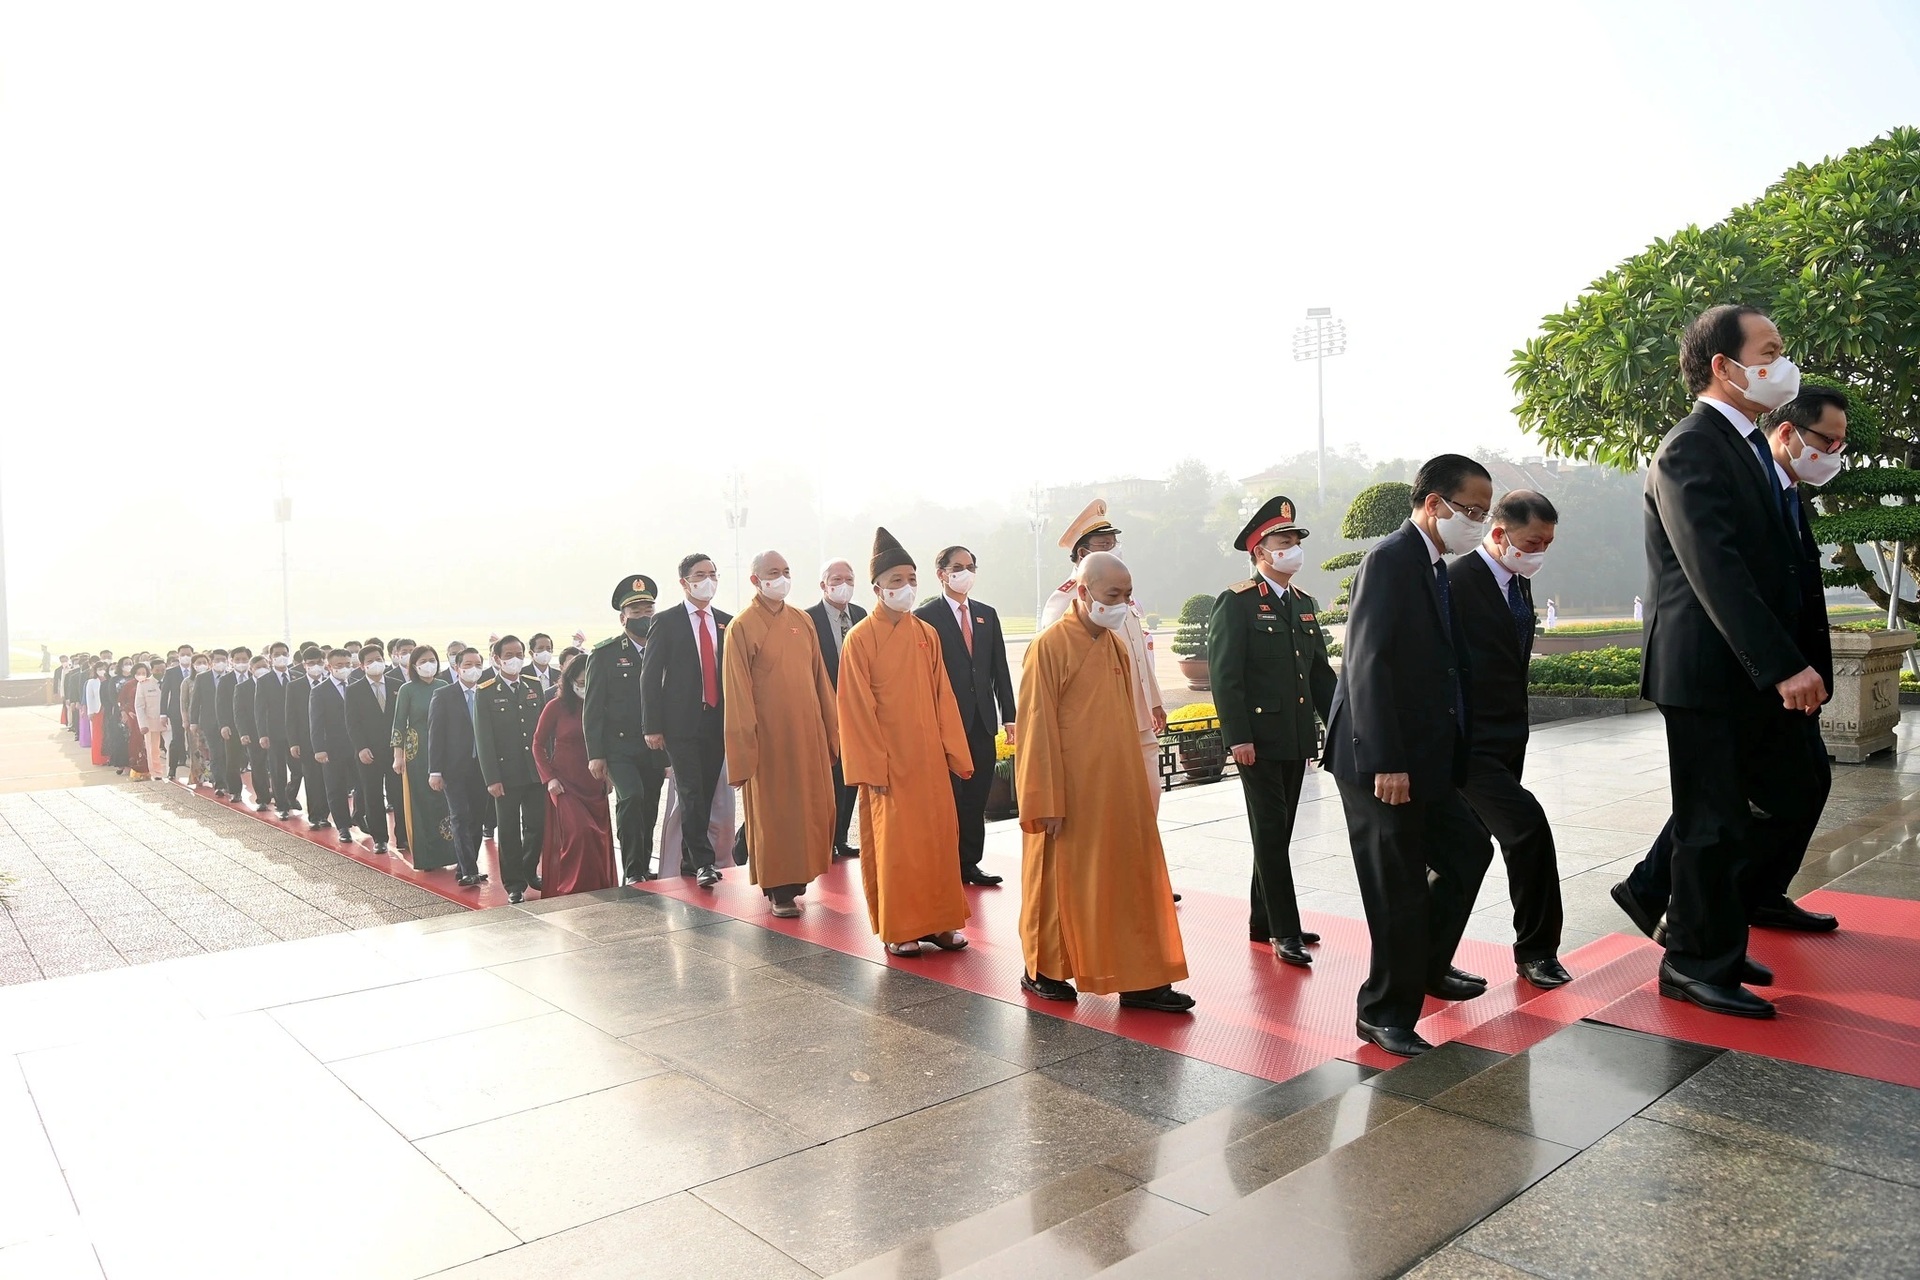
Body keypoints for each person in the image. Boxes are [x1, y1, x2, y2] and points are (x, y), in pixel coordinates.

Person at [1619, 305, 1834, 1021]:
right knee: (1714, 821)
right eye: (1770, 349)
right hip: (1710, 671)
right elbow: (1716, 569)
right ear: (1723, 365)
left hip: (1747, 668)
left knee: (1781, 793)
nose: (1783, 361)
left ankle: (1703, 927)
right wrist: (1781, 665)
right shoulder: (1691, 448)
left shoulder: (1743, 444)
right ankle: (1692, 962)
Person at [1326, 454, 1499, 1058]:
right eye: (1470, 511)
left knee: (1469, 851)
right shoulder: (1391, 559)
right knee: (1396, 884)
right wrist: (1385, 761)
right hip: (1381, 758)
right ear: (1434, 504)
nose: (1477, 523)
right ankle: (1382, 1011)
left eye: (1483, 512)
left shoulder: (1432, 566)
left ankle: (1426, 966)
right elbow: (1367, 662)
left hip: (1424, 755)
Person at [1017, 552, 1193, 1011]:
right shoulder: (1049, 646)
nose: (1123, 604)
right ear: (1082, 591)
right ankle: (1043, 971)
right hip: (1069, 794)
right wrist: (1045, 798)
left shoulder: (1115, 644)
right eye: (1113, 595)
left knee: (1129, 881)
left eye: (1128, 595)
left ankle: (1140, 978)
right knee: (1058, 886)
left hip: (1117, 788)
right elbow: (1035, 726)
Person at [1209, 495, 1336, 968]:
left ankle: (1264, 919)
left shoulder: (1303, 603)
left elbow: (1320, 674)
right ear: (1260, 551)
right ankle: (1284, 930)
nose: (1292, 548)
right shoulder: (1237, 602)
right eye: (1283, 541)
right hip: (1257, 741)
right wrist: (1237, 737)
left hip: (1295, 737)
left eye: (1295, 540)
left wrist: (1340, 724)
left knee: (1278, 831)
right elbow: (1227, 676)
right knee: (1269, 830)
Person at [1451, 490, 1571, 989]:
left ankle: (1429, 956)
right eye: (1531, 542)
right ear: (1499, 534)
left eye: (1547, 543)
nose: (1539, 552)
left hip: (1508, 738)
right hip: (1467, 744)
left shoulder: (1516, 582)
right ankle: (1537, 951)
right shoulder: (1455, 582)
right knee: (1527, 831)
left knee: (1463, 852)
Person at [838, 528, 973, 957]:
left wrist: (953, 750)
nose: (906, 588)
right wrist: (870, 767)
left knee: (936, 841)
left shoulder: (925, 633)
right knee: (897, 847)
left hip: (929, 759)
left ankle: (940, 923)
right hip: (889, 763)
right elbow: (854, 709)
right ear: (878, 587)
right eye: (897, 580)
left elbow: (943, 698)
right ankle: (901, 927)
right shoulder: (859, 638)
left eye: (912, 579)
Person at [724, 550, 841, 917]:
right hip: (769, 739)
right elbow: (737, 692)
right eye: (773, 572)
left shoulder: (802, 621)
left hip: (806, 735)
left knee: (807, 810)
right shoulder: (741, 627)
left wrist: (831, 730)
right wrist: (745, 747)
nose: (782, 578)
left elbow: (820, 679)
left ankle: (800, 878)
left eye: (787, 571)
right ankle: (779, 890)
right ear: (755, 580)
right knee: (775, 813)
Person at [1040, 499, 1170, 814]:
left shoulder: (1123, 593)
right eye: (1105, 545)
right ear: (1084, 554)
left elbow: (1139, 652)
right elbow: (1056, 666)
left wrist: (1154, 701)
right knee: (1115, 806)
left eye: (1114, 543)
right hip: (1101, 721)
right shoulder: (1065, 600)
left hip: (1138, 714)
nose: (1115, 550)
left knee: (1151, 796)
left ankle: (1142, 859)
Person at [917, 546, 1017, 887]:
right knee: (949, 797)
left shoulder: (986, 614)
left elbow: (999, 669)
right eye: (958, 567)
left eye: (971, 566)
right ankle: (944, 863)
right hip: (945, 723)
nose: (965, 572)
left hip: (982, 722)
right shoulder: (925, 616)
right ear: (941, 573)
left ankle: (970, 863)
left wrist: (1009, 716)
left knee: (977, 797)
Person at [641, 553, 732, 889]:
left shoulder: (726, 621)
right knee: (691, 790)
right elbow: (649, 677)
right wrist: (651, 725)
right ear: (684, 582)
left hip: (716, 721)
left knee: (707, 791)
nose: (708, 580)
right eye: (700, 575)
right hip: (680, 723)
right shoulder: (666, 622)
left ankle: (693, 856)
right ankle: (703, 862)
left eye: (712, 573)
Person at [585, 574, 670, 885]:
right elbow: (592, 709)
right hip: (619, 747)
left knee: (648, 806)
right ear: (623, 618)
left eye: (649, 610)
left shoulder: (665, 649)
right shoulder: (605, 654)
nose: (644, 617)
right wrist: (596, 754)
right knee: (631, 798)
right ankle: (632, 869)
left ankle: (644, 865)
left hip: (655, 746)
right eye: (636, 612)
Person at [533, 652, 616, 896]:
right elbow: (537, 744)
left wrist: (609, 775)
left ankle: (597, 888)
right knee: (579, 835)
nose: (584, 688)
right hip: (565, 785)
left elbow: (610, 743)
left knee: (597, 838)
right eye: (580, 683)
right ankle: (571, 890)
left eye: (589, 682)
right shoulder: (556, 707)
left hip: (594, 784)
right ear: (569, 681)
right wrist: (549, 778)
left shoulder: (603, 706)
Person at [475, 635, 548, 903]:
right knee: (507, 831)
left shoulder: (532, 685)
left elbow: (541, 732)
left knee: (537, 825)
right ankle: (514, 884)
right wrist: (492, 778)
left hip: (533, 771)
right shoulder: (485, 691)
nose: (515, 659)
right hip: (505, 775)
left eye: (519, 654)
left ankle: (529, 870)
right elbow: (484, 739)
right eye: (508, 655)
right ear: (496, 659)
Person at [808, 558, 867, 860]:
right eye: (836, 579)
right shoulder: (808, 619)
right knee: (828, 781)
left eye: (849, 578)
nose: (844, 584)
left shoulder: (860, 615)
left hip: (855, 711)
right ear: (823, 585)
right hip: (823, 711)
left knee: (850, 777)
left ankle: (841, 837)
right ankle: (826, 840)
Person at [384, 644, 455, 872]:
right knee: (422, 802)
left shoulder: (444, 686)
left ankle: (450, 852)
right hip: (416, 752)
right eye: (423, 661)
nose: (428, 665)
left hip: (442, 749)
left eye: (432, 659)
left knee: (444, 802)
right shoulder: (407, 690)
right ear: (414, 665)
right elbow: (398, 723)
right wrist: (398, 756)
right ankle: (427, 857)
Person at [429, 648, 491, 888]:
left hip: (481, 767)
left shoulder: (486, 692)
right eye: (467, 664)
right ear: (457, 667)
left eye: (477, 664)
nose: (473, 668)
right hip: (454, 768)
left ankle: (467, 865)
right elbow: (436, 734)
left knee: (477, 817)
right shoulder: (444, 695)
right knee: (460, 816)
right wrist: (435, 770)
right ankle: (468, 869)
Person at [345, 642, 400, 854]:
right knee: (373, 795)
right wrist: (361, 748)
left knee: (398, 794)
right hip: (369, 752)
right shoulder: (354, 690)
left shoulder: (397, 685)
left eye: (379, 659)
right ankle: (380, 838)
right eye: (370, 661)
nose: (376, 664)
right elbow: (352, 723)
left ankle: (402, 836)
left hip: (395, 750)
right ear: (362, 666)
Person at [310, 648, 360, 845]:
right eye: (339, 665)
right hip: (332, 748)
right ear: (329, 667)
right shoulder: (319, 691)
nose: (344, 669)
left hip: (357, 747)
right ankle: (343, 826)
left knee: (362, 786)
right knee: (336, 788)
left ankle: (359, 815)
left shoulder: (357, 686)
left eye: (348, 665)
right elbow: (316, 722)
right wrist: (319, 748)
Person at [285, 647, 330, 829]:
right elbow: (290, 717)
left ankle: (326, 814)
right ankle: (315, 815)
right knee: (312, 779)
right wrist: (293, 742)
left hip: (328, 740)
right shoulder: (294, 686)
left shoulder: (329, 683)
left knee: (329, 780)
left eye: (319, 663)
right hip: (305, 740)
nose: (316, 667)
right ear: (304, 665)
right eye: (311, 664)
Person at [255, 643, 299, 821]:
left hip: (296, 733)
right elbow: (260, 709)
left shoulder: (297, 677)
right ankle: (281, 805)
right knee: (278, 770)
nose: (281, 657)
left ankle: (290, 794)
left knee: (299, 770)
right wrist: (262, 734)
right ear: (270, 658)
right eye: (277, 654)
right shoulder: (264, 681)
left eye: (284, 653)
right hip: (275, 733)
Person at [190, 650, 225, 792]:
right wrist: (194, 721)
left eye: (223, 659)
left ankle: (231, 782)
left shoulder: (230, 677)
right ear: (211, 662)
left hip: (228, 722)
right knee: (216, 753)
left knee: (229, 755)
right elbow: (195, 701)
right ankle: (220, 784)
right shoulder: (202, 678)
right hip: (210, 721)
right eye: (217, 660)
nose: (220, 662)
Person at [160, 645, 193, 780]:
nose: (185, 657)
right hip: (176, 710)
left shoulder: (198, 672)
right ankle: (172, 768)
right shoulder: (171, 672)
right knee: (177, 739)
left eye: (188, 654)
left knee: (196, 741)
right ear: (178, 656)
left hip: (195, 710)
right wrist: (163, 713)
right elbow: (164, 693)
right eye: (183, 654)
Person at [119, 661, 149, 780]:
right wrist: (126, 711)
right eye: (138, 673)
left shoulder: (150, 684)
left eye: (144, 672)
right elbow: (121, 701)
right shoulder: (129, 685)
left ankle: (148, 768)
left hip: (148, 717)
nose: (141, 675)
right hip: (133, 717)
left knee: (147, 743)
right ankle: (136, 769)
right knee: (135, 741)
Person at [529, 633, 564, 699]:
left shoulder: (560, 676)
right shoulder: (522, 675)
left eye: (548, 648)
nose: (545, 652)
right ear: (531, 653)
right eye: (540, 648)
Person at [84, 659, 105, 763]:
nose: (102, 671)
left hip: (109, 710)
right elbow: (90, 698)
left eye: (104, 669)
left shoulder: (110, 680)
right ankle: (99, 758)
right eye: (100, 669)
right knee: (98, 734)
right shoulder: (91, 682)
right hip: (97, 711)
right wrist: (90, 712)